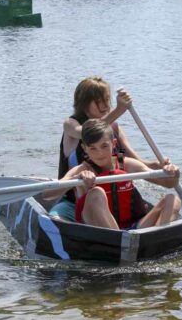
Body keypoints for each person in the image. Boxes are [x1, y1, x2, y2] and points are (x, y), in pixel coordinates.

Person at [48, 77, 165, 222]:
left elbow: (136, 161)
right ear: (84, 104)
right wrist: (119, 110)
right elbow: (85, 132)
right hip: (73, 202)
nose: (104, 106)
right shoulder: (71, 124)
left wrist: (159, 166)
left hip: (112, 199)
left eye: (107, 100)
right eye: (98, 101)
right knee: (55, 219)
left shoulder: (114, 128)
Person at [43, 119, 181, 230]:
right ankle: (122, 244)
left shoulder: (128, 164)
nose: (100, 153)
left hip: (133, 228)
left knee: (172, 199)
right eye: (93, 148)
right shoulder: (81, 170)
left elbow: (169, 183)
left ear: (114, 143)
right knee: (96, 192)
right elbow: (47, 195)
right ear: (84, 148)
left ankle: (155, 239)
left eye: (104, 146)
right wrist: (75, 180)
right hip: (102, 233)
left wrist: (173, 173)